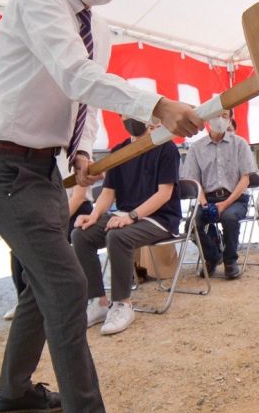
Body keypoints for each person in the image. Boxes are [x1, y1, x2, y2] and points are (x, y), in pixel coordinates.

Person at [0, 0, 203, 413]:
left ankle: (14, 394)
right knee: (68, 287)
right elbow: (76, 74)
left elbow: (85, 98)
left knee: (39, 290)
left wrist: (79, 150)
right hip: (2, 167)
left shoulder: (103, 26)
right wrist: (158, 105)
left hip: (44, 169)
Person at [71, 117, 181, 335]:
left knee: (117, 236)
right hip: (126, 216)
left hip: (160, 219)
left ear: (152, 118)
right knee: (80, 235)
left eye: (136, 113)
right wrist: (93, 216)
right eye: (124, 113)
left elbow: (164, 193)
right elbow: (108, 192)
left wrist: (132, 216)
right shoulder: (119, 151)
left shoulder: (166, 147)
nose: (130, 118)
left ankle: (123, 304)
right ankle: (99, 302)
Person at [4, 154, 93, 321]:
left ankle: (51, 301)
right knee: (19, 248)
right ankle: (25, 301)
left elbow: (79, 197)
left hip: (77, 211)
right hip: (51, 212)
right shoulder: (43, 159)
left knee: (45, 245)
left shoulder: (79, 157)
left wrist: (55, 220)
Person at [181, 109, 257, 280]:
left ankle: (231, 260)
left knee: (229, 218)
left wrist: (225, 204)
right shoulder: (196, 148)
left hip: (235, 198)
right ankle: (213, 255)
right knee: (192, 224)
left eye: (225, 116)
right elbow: (194, 181)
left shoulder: (240, 144)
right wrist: (204, 204)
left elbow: (245, 179)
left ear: (230, 120)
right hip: (207, 197)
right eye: (217, 115)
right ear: (208, 119)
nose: (221, 120)